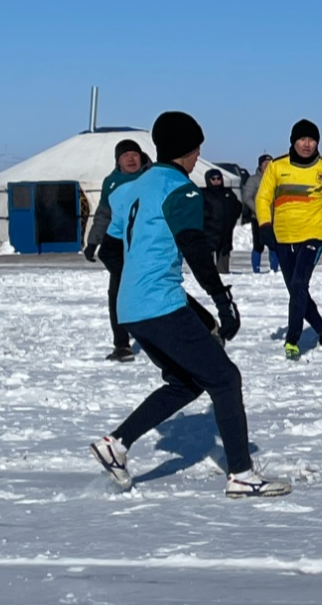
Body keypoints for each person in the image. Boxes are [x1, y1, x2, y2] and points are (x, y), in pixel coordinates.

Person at [88, 111, 289, 498]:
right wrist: (222, 301)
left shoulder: (131, 187)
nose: (199, 156)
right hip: (159, 304)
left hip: (132, 308)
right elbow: (195, 249)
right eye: (197, 149)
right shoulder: (181, 189)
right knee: (225, 379)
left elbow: (111, 250)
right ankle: (242, 475)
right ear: (188, 149)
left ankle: (117, 443)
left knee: (186, 382)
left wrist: (135, 280)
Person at [254, 119, 322, 358]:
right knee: (296, 290)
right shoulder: (276, 167)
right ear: (293, 141)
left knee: (298, 285)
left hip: (314, 234)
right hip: (283, 236)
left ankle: (292, 341)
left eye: (312, 140)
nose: (307, 144)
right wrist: (265, 225)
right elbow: (263, 198)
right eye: (302, 139)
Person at [83, 139, 149, 362]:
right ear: (117, 160)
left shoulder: (151, 178)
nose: (131, 159)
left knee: (152, 291)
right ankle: (122, 344)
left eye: (135, 154)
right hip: (118, 244)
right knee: (117, 294)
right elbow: (104, 214)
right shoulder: (111, 183)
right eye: (125, 155)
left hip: (144, 244)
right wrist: (93, 242)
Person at [201, 168, 246, 275]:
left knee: (224, 271)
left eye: (219, 178)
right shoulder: (203, 194)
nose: (216, 181)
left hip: (225, 235)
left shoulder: (228, 193)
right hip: (209, 234)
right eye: (213, 179)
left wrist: (232, 219)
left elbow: (238, 207)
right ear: (208, 180)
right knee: (208, 272)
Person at [243, 153, 277, 274]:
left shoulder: (276, 179)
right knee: (258, 245)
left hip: (274, 218)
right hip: (258, 218)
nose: (268, 166)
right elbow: (247, 197)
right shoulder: (253, 180)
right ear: (260, 166)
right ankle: (256, 270)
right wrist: (259, 211)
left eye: (270, 164)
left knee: (274, 245)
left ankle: (274, 270)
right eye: (265, 164)